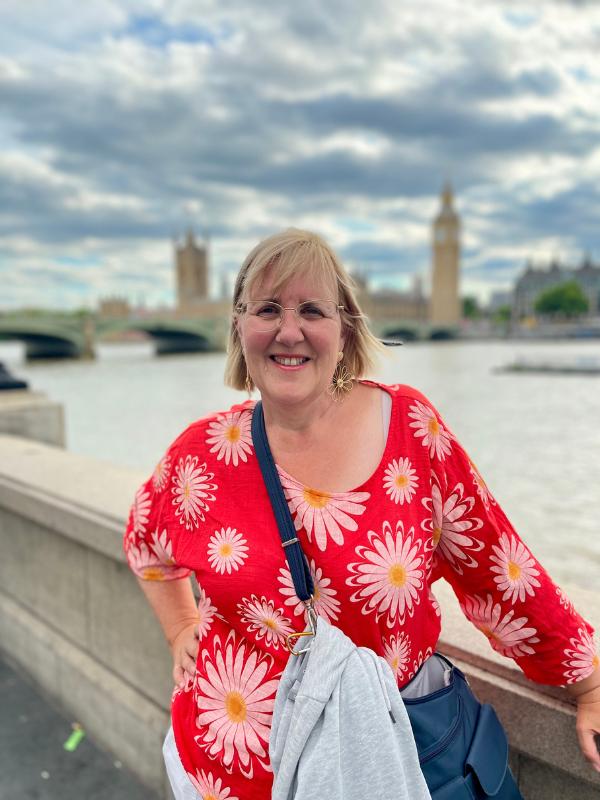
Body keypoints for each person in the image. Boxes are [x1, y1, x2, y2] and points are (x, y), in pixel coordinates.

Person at [124, 228, 600, 800]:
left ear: (345, 327)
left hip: (384, 761)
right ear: (239, 326)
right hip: (226, 772)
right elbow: (146, 544)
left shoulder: (408, 428)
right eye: (268, 308)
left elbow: (499, 570)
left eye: (312, 310)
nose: (289, 330)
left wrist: (588, 683)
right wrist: (180, 628)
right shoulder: (200, 454)